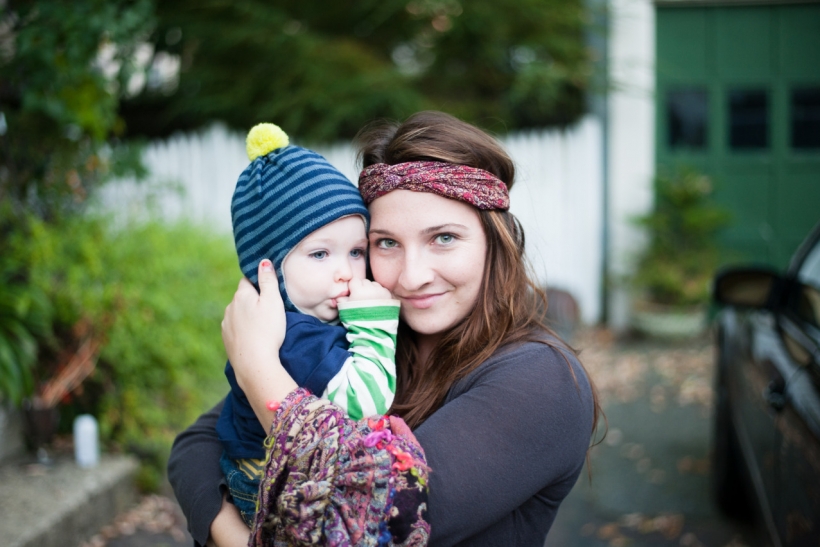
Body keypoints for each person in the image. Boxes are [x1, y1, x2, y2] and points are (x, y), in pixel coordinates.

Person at [168, 111, 601, 547]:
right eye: (387, 243)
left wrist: (256, 364)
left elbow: (374, 515)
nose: (412, 277)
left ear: (496, 240)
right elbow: (195, 446)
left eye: (444, 238)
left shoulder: (542, 379)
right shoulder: (372, 336)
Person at [216, 123, 403, 527]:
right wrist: (376, 325)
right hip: (264, 482)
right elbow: (365, 402)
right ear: (266, 268)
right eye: (320, 254)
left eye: (356, 251)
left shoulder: (302, 321)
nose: (344, 272)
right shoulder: (296, 339)